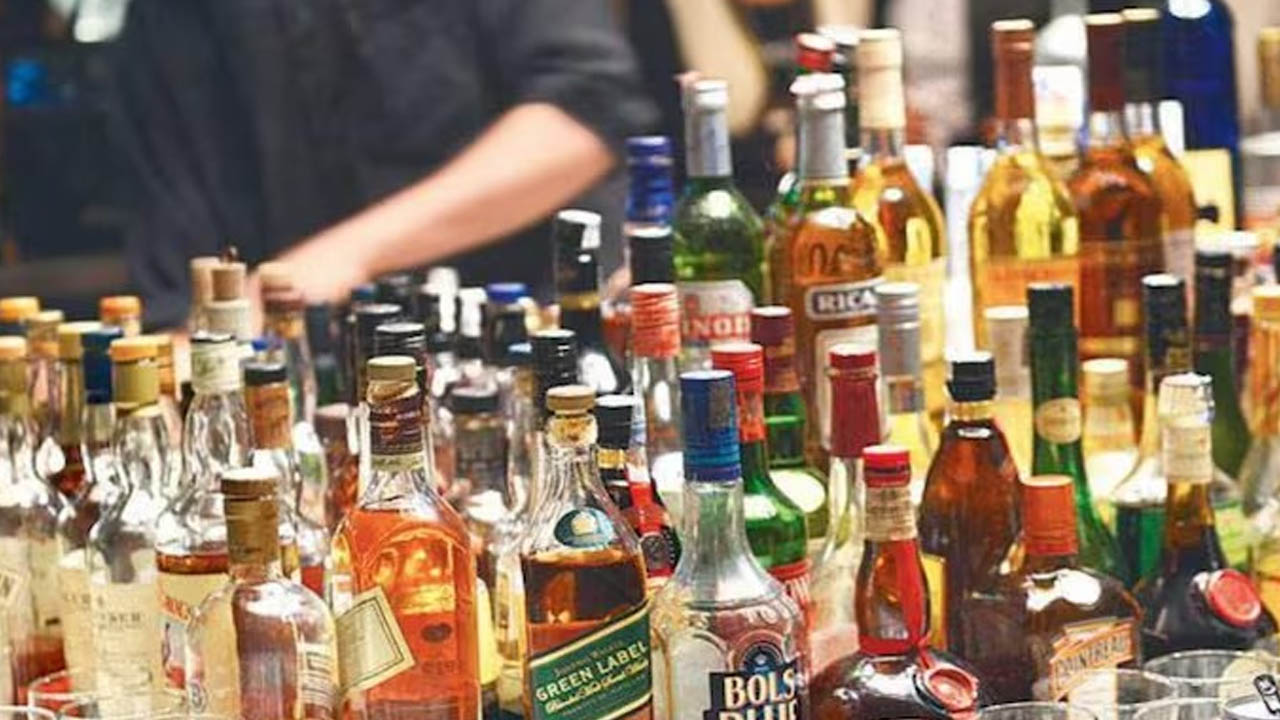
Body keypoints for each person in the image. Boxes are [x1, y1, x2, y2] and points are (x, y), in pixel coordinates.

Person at [109, 0, 656, 326]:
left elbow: (586, 116)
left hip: (538, 348)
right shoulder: (171, 18)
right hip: (318, 394)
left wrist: (346, 254)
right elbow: (179, 290)